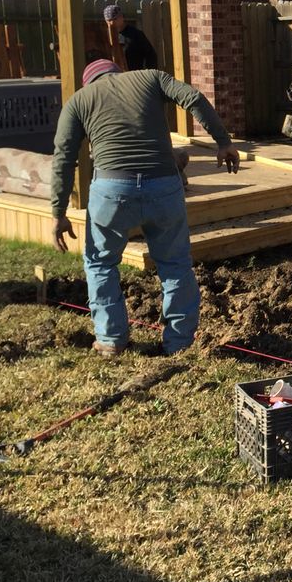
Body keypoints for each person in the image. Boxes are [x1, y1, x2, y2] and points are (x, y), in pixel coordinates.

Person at [50, 59, 240, 358]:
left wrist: (59, 212)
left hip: (112, 192)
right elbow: (192, 97)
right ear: (117, 73)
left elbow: (63, 157)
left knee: (100, 263)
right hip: (163, 186)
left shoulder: (79, 100)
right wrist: (223, 142)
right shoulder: (150, 76)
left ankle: (111, 339)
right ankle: (179, 343)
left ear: (90, 82)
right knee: (174, 263)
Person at [103, 4, 158, 71]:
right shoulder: (105, 37)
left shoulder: (136, 34)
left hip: (134, 76)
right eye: (109, 20)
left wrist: (148, 74)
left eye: (114, 19)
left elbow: (150, 55)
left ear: (121, 17)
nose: (111, 23)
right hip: (113, 78)